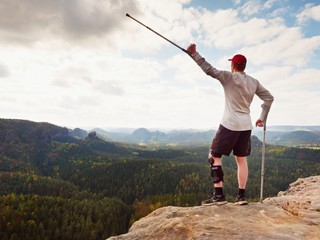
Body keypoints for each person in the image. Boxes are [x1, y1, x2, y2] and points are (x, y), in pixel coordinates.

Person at [187, 44, 274, 205]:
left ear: (233, 65)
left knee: (214, 157)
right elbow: (269, 98)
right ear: (244, 66)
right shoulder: (254, 82)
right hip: (246, 126)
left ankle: (219, 195)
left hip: (229, 124)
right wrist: (262, 117)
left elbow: (209, 70)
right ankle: (241, 196)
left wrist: (194, 54)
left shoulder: (228, 77)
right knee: (241, 159)